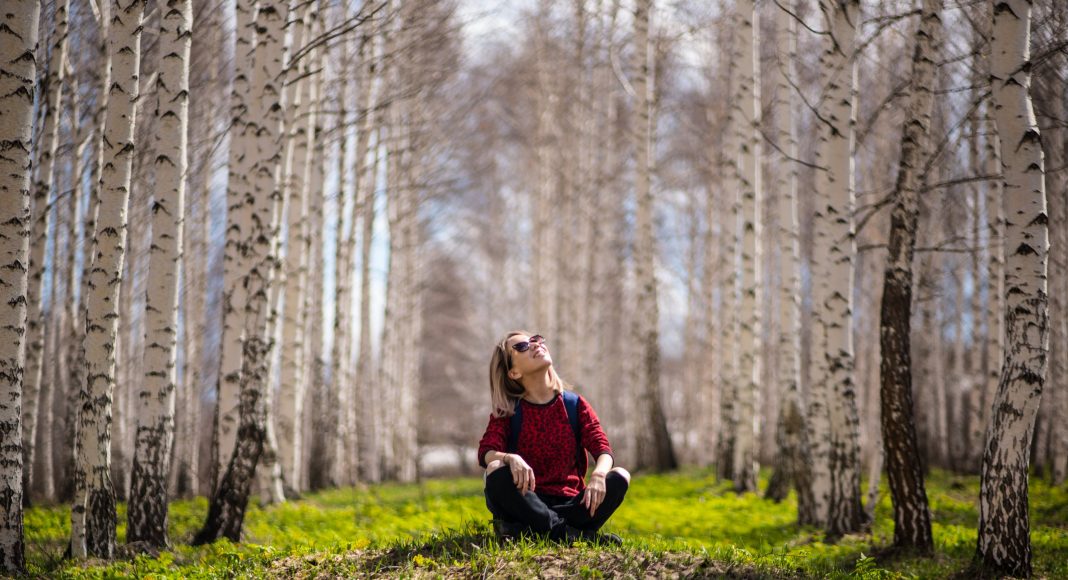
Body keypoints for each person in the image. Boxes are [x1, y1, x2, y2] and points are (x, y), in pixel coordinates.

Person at [477, 330, 630, 544]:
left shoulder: (574, 405)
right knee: (495, 469)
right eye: (521, 347)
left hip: (572, 505)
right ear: (513, 373)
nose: (534, 345)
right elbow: (486, 453)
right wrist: (510, 458)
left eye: (536, 340)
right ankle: (571, 535)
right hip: (527, 502)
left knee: (620, 475)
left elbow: (602, 449)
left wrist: (598, 475)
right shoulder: (508, 411)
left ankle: (538, 531)